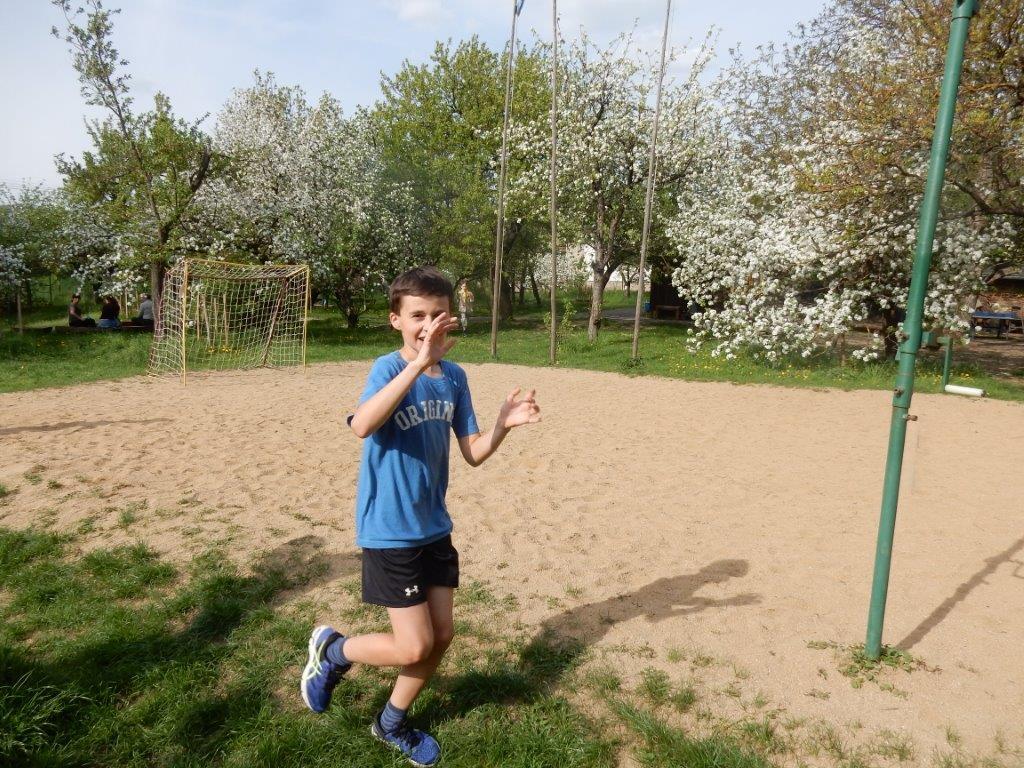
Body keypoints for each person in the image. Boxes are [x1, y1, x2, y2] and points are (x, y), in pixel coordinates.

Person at [299, 266, 541, 767]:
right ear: (396, 320)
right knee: (414, 647)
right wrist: (418, 363)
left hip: (434, 526)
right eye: (417, 316)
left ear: (450, 317)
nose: (429, 325)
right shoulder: (388, 368)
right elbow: (363, 425)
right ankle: (335, 652)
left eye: (438, 315)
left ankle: (390, 722)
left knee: (441, 637)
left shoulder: (455, 378)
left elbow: (472, 453)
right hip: (389, 530)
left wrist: (502, 425)